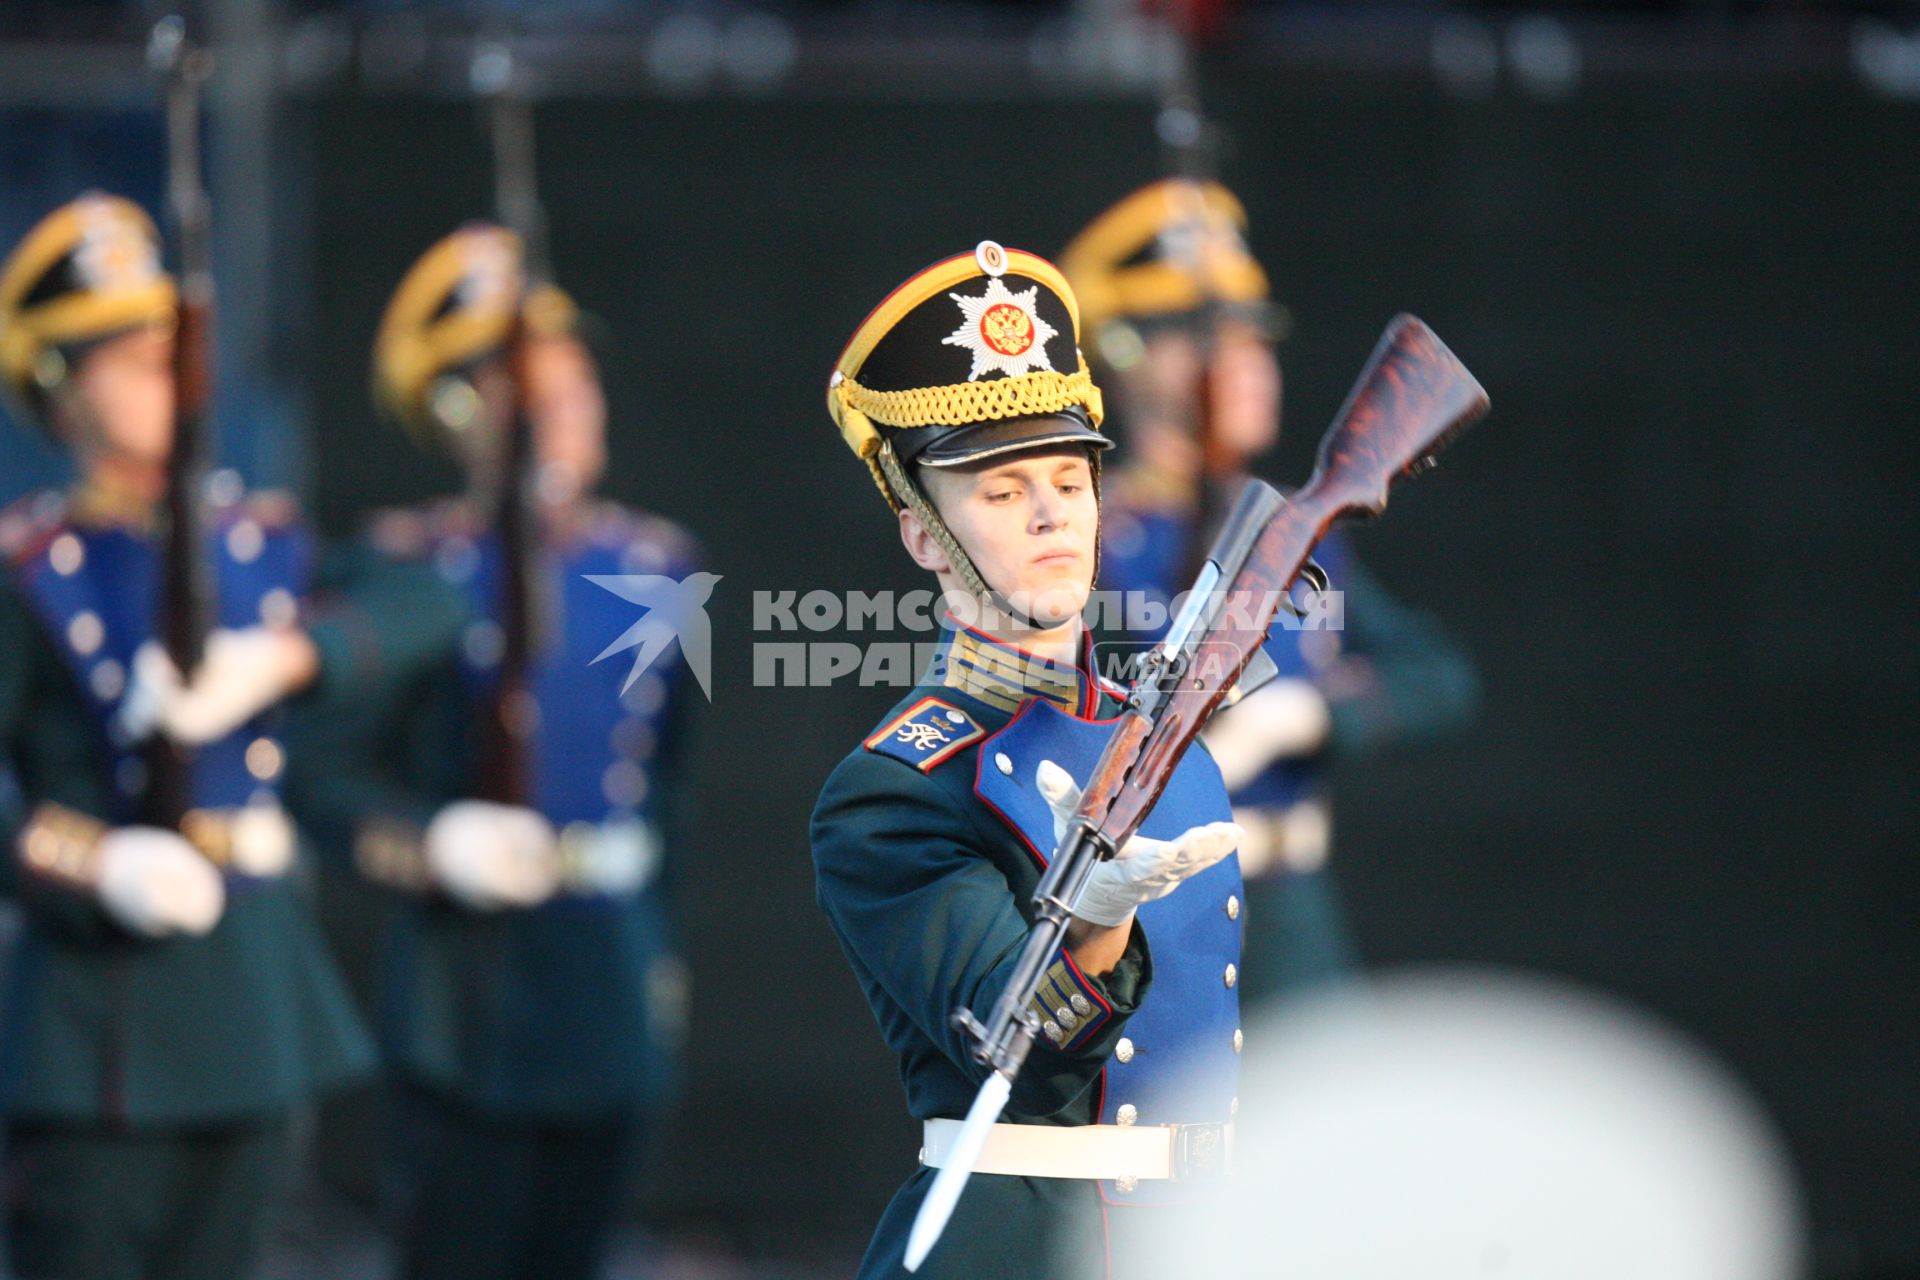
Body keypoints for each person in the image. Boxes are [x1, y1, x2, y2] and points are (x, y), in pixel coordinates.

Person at [0, 193, 455, 1280]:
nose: (165, 375)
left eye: (170, 350)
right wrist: (89, 857)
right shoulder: (31, 567)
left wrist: (285, 657)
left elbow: (430, 596)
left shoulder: (257, 540)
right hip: (97, 1021)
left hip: (251, 998)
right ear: (60, 388)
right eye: (124, 356)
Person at [812, 241, 1247, 1280]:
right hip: (1037, 1242)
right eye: (1002, 491)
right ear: (924, 535)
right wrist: (1094, 918)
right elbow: (1018, 1041)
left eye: (1068, 476)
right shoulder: (897, 787)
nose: (1054, 511)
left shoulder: (1159, 726)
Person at [285, 224, 700, 1280]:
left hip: (606, 971)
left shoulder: (651, 563)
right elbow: (315, 775)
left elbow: (667, 787)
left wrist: (658, 953)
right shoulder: (404, 568)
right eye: (536, 391)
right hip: (466, 997)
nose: (571, 410)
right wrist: (429, 845)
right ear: (464, 410)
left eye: (575, 385)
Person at [1062, 179, 1479, 1005]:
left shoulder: (1293, 531)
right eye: (1210, 340)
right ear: (1129, 351)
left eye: (1254, 338)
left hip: (1292, 914)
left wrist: (1311, 716)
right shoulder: (1092, 541)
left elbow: (1438, 677)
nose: (1249, 363)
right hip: (1155, 916)